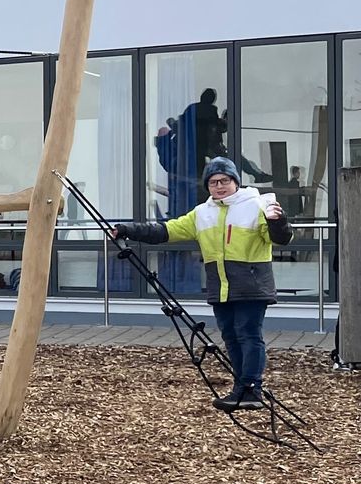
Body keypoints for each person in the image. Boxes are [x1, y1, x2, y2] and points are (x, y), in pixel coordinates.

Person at [113, 156, 294, 410]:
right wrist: (127, 229)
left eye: (225, 180)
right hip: (220, 287)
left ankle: (252, 389)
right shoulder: (202, 213)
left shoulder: (256, 205)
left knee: (248, 334)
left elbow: (281, 239)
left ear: (235, 182)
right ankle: (241, 389)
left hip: (251, 286)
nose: (219, 186)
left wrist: (278, 220)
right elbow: (166, 231)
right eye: (213, 182)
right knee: (231, 337)